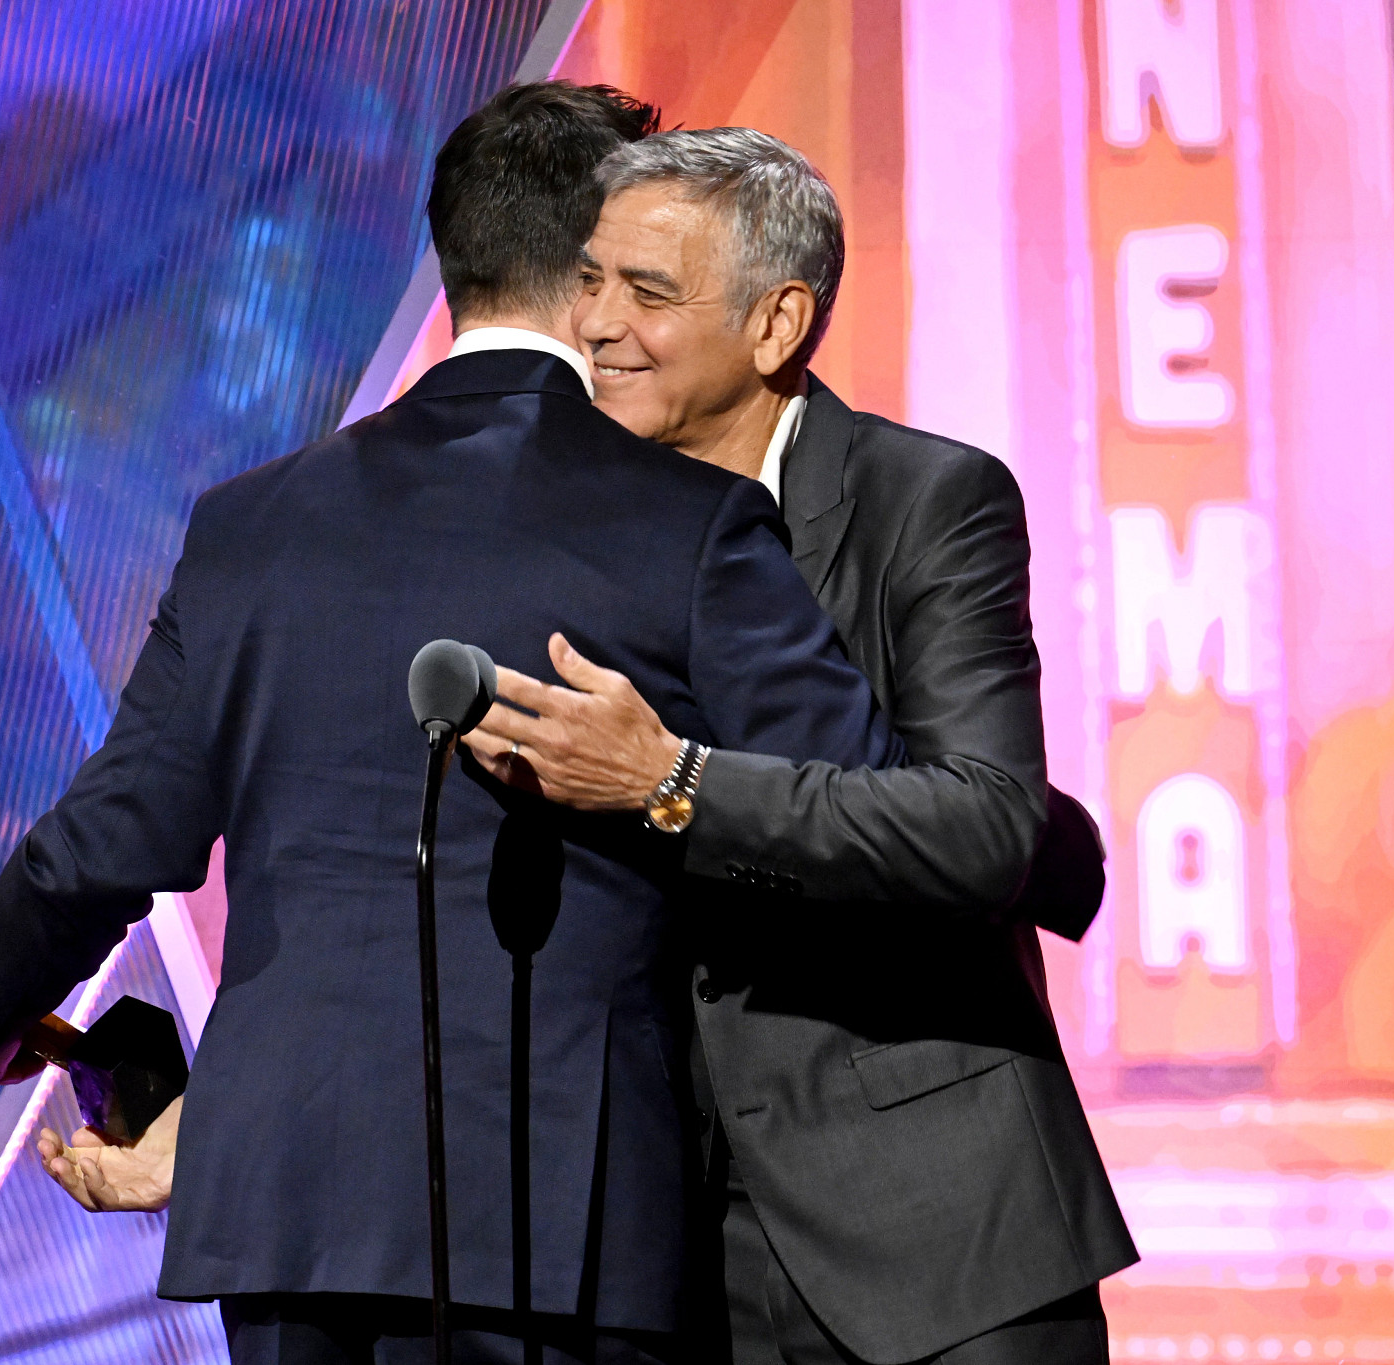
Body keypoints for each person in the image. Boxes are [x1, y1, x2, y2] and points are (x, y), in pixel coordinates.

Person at [0, 83, 906, 1365]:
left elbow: (112, 833)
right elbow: (863, 826)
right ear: (598, 268)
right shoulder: (686, 525)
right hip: (568, 1227)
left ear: (453, 253)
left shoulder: (254, 524)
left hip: (296, 1216)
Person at [464, 130, 1137, 1365]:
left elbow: (984, 824)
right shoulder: (548, 525)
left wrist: (672, 786)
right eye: (590, 283)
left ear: (776, 325)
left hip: (938, 1238)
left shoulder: (923, 500)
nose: (598, 326)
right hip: (666, 1257)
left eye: (648, 294)